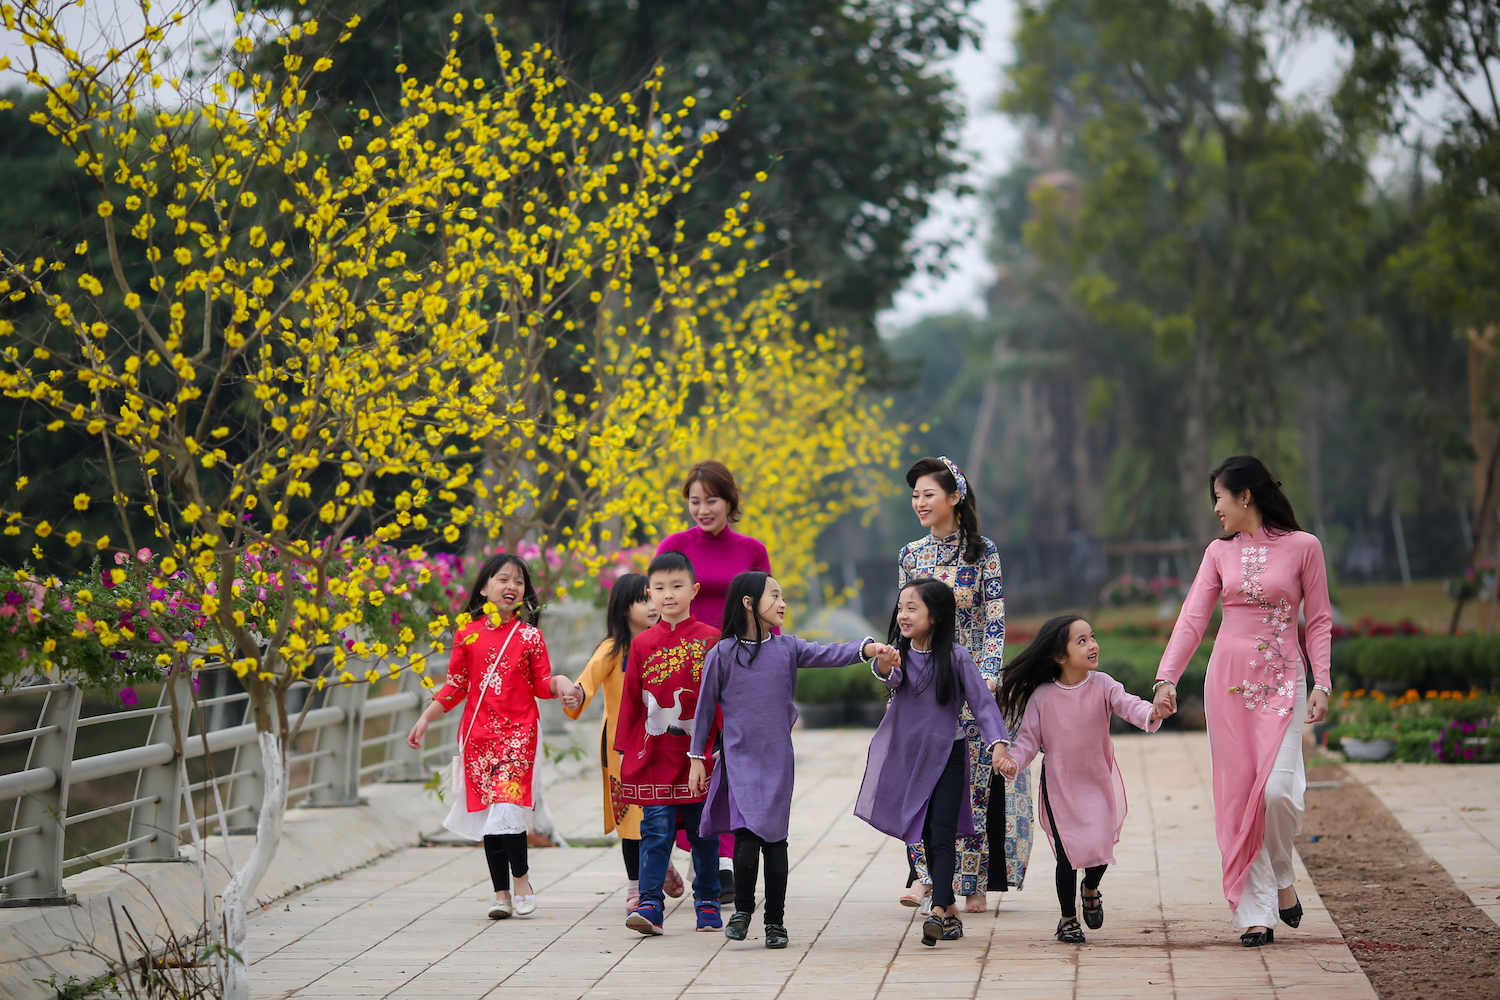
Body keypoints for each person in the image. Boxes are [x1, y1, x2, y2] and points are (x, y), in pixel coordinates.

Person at [1152, 455, 1332, 947]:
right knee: (1238, 798)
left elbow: (1316, 621)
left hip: (1283, 682)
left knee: (1276, 793)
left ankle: (1282, 876)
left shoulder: (1304, 547)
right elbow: (1192, 619)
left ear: (1245, 496)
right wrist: (1167, 678)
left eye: (1219, 498)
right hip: (1226, 686)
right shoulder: (1218, 553)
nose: (1216, 509)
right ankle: (1256, 912)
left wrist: (1322, 682)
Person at [687, 571, 896, 949]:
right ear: (749, 602)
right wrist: (696, 758)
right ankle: (743, 911)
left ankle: (775, 923)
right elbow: (703, 711)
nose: (782, 604)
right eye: (775, 596)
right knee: (746, 836)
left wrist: (866, 649)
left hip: (778, 760)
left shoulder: (787, 648)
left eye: (782, 596)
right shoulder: (721, 654)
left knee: (776, 842)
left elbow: (828, 652)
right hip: (737, 758)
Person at [405, 553, 578, 919]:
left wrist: (562, 682)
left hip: (518, 735)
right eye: (503, 579)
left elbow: (541, 685)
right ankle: (501, 894)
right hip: (477, 737)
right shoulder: (467, 634)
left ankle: (522, 881)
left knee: (506, 807)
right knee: (490, 817)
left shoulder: (530, 636)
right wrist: (425, 718)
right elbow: (455, 686)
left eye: (519, 582)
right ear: (484, 588)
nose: (511, 587)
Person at [897, 455, 1032, 913]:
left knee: (973, 785)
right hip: (923, 686)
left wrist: (990, 675)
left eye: (928, 493)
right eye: (915, 494)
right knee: (921, 780)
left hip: (973, 686)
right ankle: (925, 875)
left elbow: (995, 619)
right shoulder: (910, 555)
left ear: (955, 497)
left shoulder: (983, 551)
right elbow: (905, 621)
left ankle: (971, 878)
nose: (919, 501)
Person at [855, 578, 1010, 947]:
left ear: (936, 616)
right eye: (901, 607)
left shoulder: (956, 657)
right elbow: (888, 674)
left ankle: (940, 910)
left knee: (941, 834)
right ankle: (950, 910)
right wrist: (882, 662)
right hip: (909, 759)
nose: (903, 615)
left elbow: (982, 704)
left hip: (948, 757)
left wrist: (999, 746)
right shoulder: (899, 654)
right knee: (925, 836)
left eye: (913, 608)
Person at [995, 616, 1164, 944]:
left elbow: (1129, 705)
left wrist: (1152, 712)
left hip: (1097, 783)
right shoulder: (1042, 696)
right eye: (1082, 641)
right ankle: (1068, 919)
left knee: (1100, 848)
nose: (1093, 645)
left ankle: (1091, 888)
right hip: (1060, 788)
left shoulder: (1103, 684)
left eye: (1092, 637)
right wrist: (1013, 762)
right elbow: (1028, 741)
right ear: (1060, 656)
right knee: (1068, 854)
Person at [656, 460, 770, 903]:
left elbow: (766, 604)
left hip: (737, 666)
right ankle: (700, 848)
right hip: (683, 667)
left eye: (712, 500)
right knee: (688, 758)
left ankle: (723, 864)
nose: (703, 510)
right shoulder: (674, 546)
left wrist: (771, 665)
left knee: (729, 759)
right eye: (695, 501)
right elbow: (660, 600)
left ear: (730, 502)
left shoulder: (751, 549)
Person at [560, 573, 686, 912]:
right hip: (620, 747)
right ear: (622, 607)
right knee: (630, 817)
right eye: (643, 599)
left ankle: (659, 863)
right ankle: (636, 886)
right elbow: (586, 682)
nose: (652, 604)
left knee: (662, 811)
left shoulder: (668, 643)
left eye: (654, 597)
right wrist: (574, 696)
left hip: (662, 744)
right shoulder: (613, 649)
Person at [615, 551, 723, 936]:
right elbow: (630, 701)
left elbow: (718, 701)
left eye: (677, 586)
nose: (668, 594)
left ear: (693, 590)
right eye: (659, 588)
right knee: (655, 831)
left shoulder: (712, 640)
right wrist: (625, 755)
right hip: (654, 755)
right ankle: (650, 905)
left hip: (699, 757)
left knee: (703, 834)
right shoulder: (642, 644)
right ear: (649, 593)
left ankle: (708, 902)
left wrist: (715, 749)